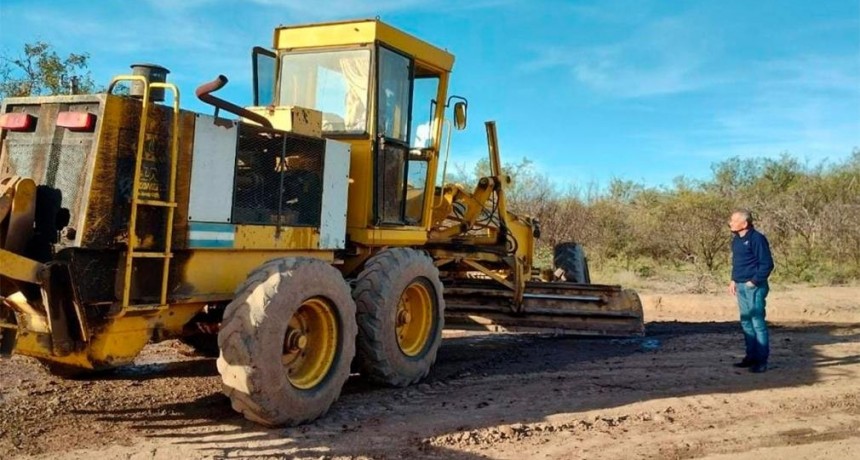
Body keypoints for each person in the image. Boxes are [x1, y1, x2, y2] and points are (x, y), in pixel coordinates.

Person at [728, 209, 775, 373]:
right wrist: (733, 279)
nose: (730, 223)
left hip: (754, 286)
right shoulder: (736, 240)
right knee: (746, 322)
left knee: (757, 323)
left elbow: (767, 264)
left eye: (734, 220)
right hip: (740, 285)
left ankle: (761, 361)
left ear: (745, 223)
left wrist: (754, 281)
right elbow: (737, 262)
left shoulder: (757, 239)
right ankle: (751, 357)